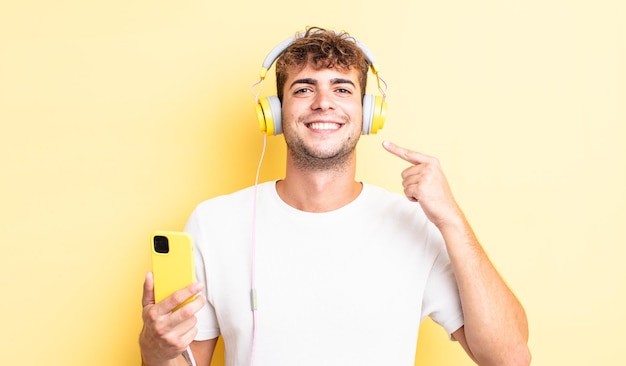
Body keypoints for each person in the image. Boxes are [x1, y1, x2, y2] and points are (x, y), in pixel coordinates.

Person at [139, 27, 530, 366]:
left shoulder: (416, 226)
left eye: (342, 89)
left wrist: (452, 220)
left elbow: (510, 358)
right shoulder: (215, 224)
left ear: (369, 112)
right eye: (304, 88)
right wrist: (155, 351)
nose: (323, 102)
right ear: (274, 112)